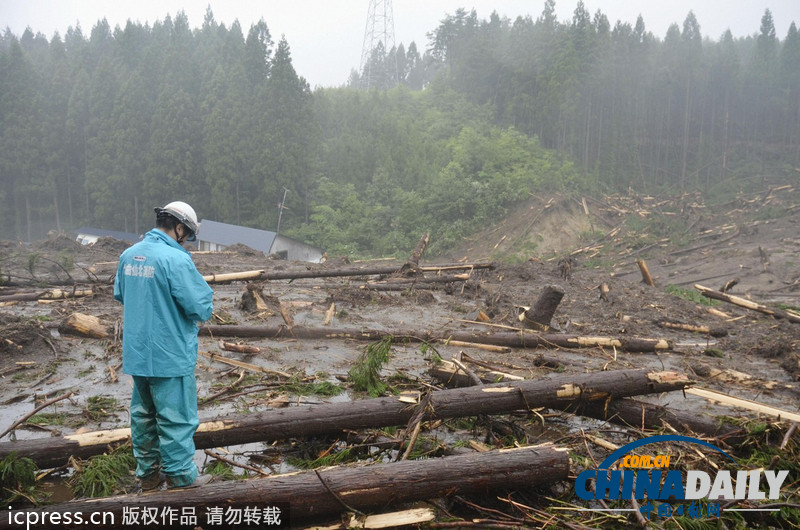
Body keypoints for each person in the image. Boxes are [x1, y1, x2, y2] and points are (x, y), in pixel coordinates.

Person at [113, 201, 214, 490]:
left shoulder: (128, 255)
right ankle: (180, 478)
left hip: (138, 354)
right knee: (176, 419)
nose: (186, 240)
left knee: (143, 417)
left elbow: (121, 294)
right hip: (170, 355)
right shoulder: (176, 260)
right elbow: (201, 307)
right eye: (187, 235)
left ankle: (147, 476)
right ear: (179, 228)